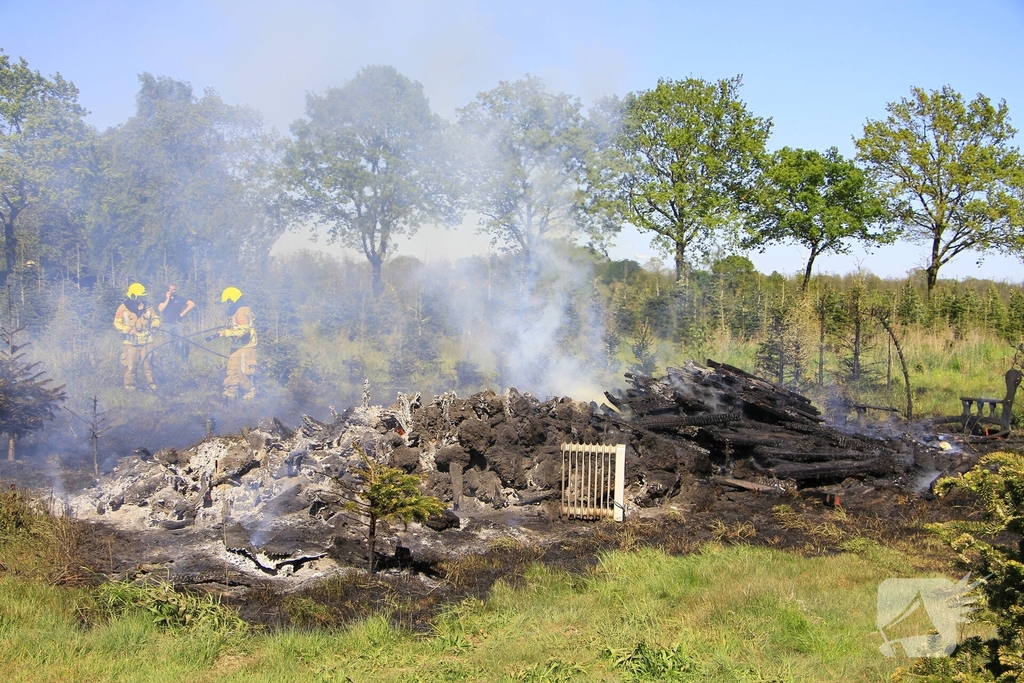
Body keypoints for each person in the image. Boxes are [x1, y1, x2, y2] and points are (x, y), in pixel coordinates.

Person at [113, 282, 161, 392]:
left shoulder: (148, 307)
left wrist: (154, 326)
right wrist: (128, 330)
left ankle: (152, 386)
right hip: (130, 343)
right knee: (131, 365)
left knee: (148, 364)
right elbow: (117, 322)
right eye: (140, 296)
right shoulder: (123, 308)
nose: (142, 299)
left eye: (143, 296)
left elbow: (155, 319)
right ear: (133, 296)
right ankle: (130, 388)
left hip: (146, 341)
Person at [215, 286, 257, 400]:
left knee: (242, 372)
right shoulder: (235, 311)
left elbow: (244, 330)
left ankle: (250, 392)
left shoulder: (242, 311)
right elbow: (234, 327)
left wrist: (226, 333)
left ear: (233, 299)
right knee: (232, 369)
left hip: (246, 346)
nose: (227, 304)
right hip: (237, 346)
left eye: (228, 301)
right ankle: (230, 393)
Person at [157, 283, 195, 359]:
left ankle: (182, 361)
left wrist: (183, 312)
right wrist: (167, 299)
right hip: (167, 324)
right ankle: (170, 360)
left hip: (177, 323)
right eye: (172, 289)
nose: (174, 291)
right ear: (168, 290)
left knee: (180, 343)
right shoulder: (163, 298)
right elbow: (160, 309)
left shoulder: (179, 298)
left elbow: (191, 304)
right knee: (168, 344)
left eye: (175, 289)